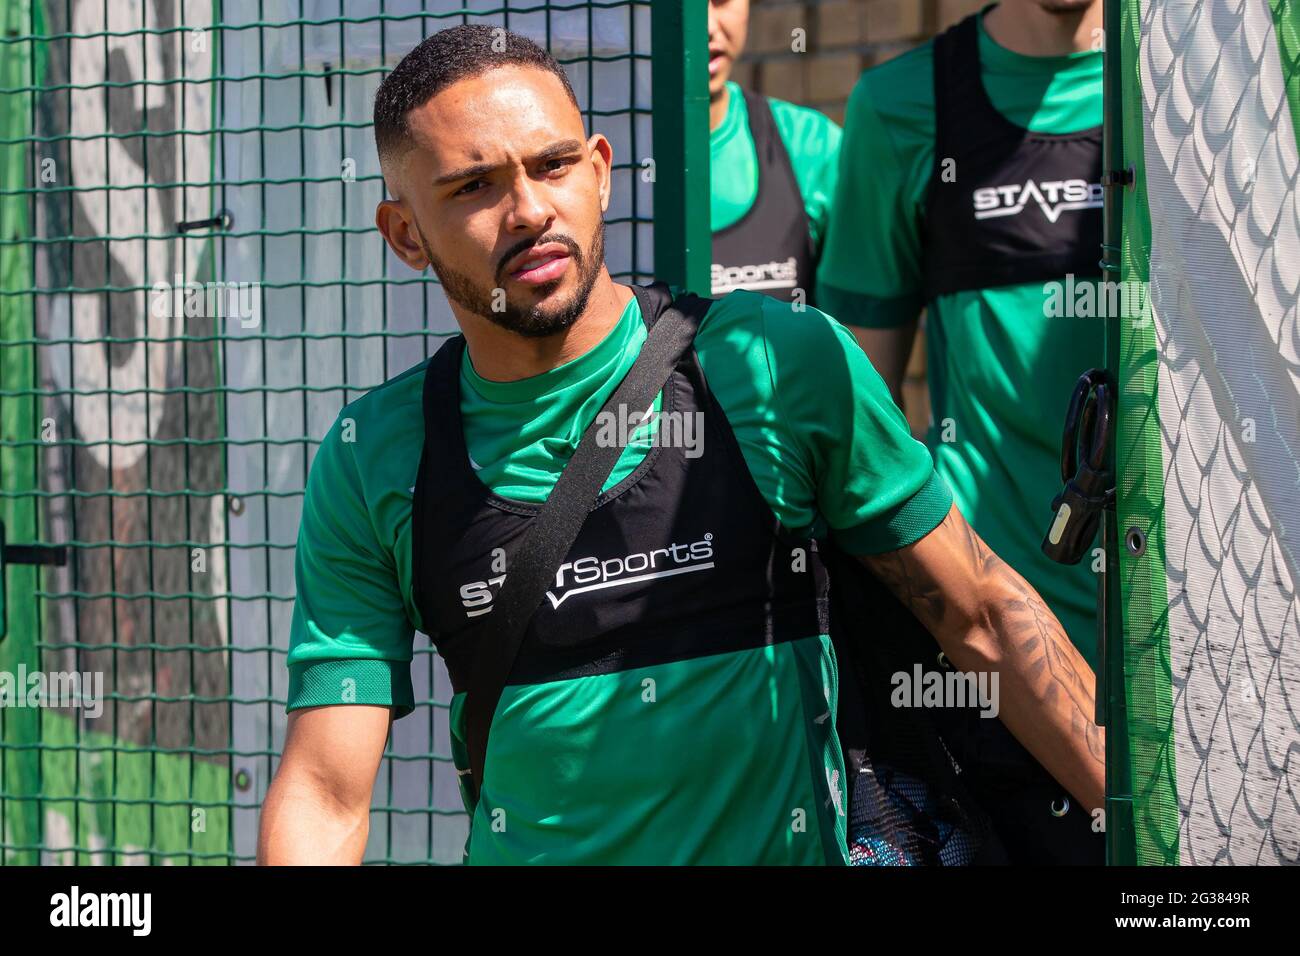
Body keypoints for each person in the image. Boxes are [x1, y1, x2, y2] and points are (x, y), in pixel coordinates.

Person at [257, 24, 1103, 866]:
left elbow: (981, 613)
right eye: (474, 186)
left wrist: (1162, 843)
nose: (529, 210)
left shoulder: (775, 361)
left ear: (598, 169)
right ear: (405, 234)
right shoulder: (378, 457)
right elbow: (327, 793)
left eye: (551, 165)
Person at [817, 0, 1106, 672]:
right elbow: (860, 422)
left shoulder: (1194, 93)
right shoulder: (901, 105)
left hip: (1201, 617)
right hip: (1008, 638)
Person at [708, 0, 841, 303]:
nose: (707, 27)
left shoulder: (813, 145)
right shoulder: (609, 155)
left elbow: (859, 326)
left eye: (720, 1)